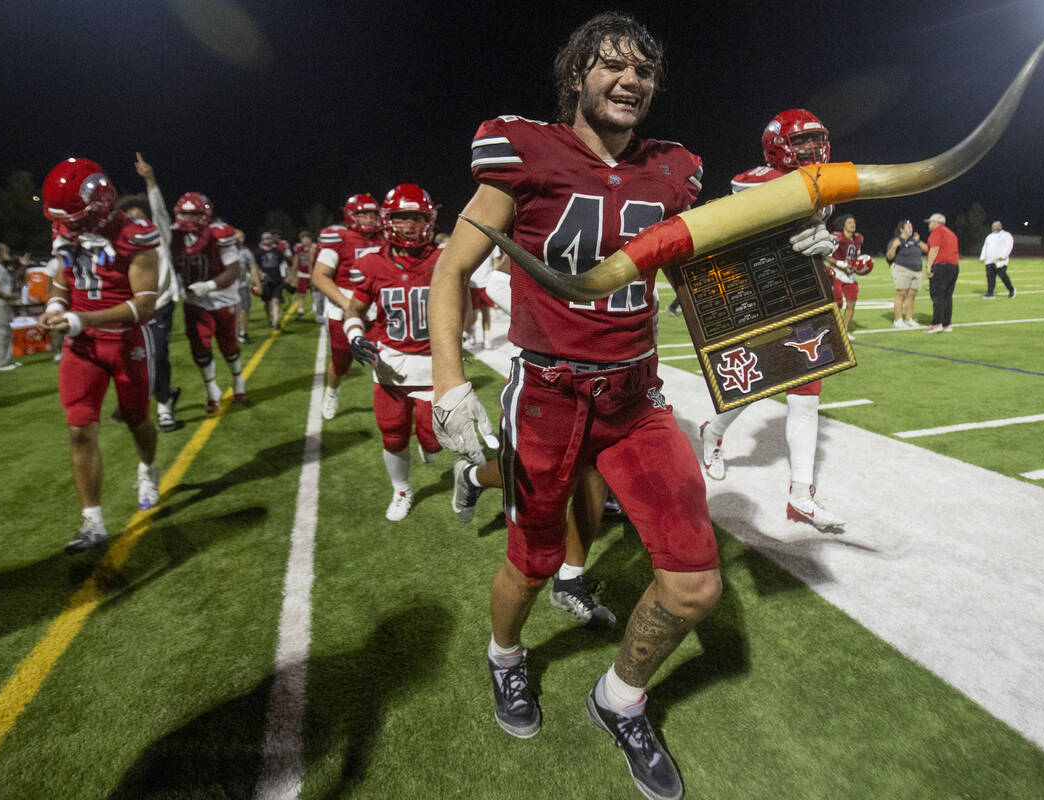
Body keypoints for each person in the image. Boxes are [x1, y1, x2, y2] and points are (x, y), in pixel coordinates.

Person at [428, 14, 747, 799]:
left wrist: (785, 263)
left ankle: (619, 699)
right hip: (547, 394)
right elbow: (452, 270)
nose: (629, 79)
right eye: (611, 66)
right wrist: (447, 384)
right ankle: (506, 657)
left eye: (642, 69)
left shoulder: (673, 171)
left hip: (636, 397)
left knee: (696, 583)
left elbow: (705, 280)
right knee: (533, 565)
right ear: (578, 75)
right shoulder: (525, 151)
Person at [697, 108, 844, 532]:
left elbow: (810, 233)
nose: (812, 148)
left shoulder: (821, 181)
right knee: (756, 382)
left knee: (806, 394)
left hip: (806, 296)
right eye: (801, 141)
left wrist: (826, 240)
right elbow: (767, 219)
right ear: (777, 144)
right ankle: (714, 430)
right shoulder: (756, 180)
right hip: (761, 295)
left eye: (817, 139)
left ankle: (801, 497)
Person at [36, 157, 161, 553]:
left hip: (125, 342)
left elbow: (144, 306)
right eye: (62, 219)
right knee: (79, 429)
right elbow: (60, 283)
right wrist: (55, 308)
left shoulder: (135, 235)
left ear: (101, 204)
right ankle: (93, 522)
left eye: (74, 218)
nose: (65, 227)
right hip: (83, 345)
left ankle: (148, 468)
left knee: (138, 420)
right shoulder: (67, 232)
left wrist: (81, 319)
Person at [342, 184, 444, 521]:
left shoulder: (444, 259)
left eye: (416, 217)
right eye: (401, 218)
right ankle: (402, 489)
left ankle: (428, 443)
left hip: (434, 363)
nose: (409, 225)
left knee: (434, 440)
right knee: (393, 431)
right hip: (391, 362)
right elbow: (354, 310)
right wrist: (355, 335)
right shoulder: (372, 264)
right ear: (388, 221)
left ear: (428, 219)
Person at [135, 153, 246, 412]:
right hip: (194, 301)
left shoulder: (219, 233)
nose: (188, 220)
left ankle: (238, 382)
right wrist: (151, 181)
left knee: (229, 346)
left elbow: (233, 271)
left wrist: (208, 286)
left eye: (194, 214)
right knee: (200, 349)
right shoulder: (172, 234)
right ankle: (212, 390)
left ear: (205, 214)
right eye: (184, 215)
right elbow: (159, 215)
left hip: (223, 298)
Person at [119, 185, 184, 432]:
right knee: (135, 359)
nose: (135, 222)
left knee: (157, 355)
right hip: (131, 308)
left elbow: (159, 211)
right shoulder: (122, 242)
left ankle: (164, 406)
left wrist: (151, 182)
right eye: (130, 218)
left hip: (159, 305)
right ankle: (161, 394)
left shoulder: (159, 234)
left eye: (139, 216)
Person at [312, 193, 383, 420]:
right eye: (364, 213)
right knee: (341, 363)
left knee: (385, 360)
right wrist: (348, 306)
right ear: (351, 215)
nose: (370, 218)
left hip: (378, 308)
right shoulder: (339, 237)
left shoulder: (386, 237)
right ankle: (332, 392)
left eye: (373, 213)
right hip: (343, 306)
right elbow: (320, 276)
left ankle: (392, 406)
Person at [0, 243, 27, 371]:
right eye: (4, 250)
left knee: (6, 331)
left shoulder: (0, 267)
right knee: (2, 332)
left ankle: (5, 361)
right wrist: (4, 295)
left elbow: (11, 280)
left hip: (2, 302)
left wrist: (23, 265)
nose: (7, 251)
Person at [826, 214, 863, 337]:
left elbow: (857, 255)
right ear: (843, 225)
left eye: (854, 222)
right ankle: (830, 328)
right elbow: (827, 256)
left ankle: (844, 331)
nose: (853, 225)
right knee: (838, 304)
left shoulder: (858, 239)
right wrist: (841, 264)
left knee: (851, 303)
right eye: (849, 223)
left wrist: (858, 266)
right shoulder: (836, 238)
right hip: (837, 274)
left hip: (850, 275)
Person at [924, 212, 960, 333]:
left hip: (941, 265)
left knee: (938, 294)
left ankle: (936, 323)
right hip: (954, 266)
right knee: (947, 295)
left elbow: (934, 249)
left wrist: (928, 266)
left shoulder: (937, 231)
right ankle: (946, 323)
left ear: (935, 222)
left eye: (930, 222)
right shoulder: (951, 234)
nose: (929, 224)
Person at [886, 219, 924, 328]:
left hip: (917, 271)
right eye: (908, 227)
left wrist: (918, 241)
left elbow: (926, 249)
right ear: (901, 229)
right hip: (902, 269)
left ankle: (909, 319)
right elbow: (889, 257)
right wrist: (894, 247)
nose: (911, 229)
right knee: (901, 294)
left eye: (911, 227)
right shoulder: (896, 240)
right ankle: (898, 320)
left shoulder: (915, 240)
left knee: (912, 296)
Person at [253, 231, 290, 330]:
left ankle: (275, 321)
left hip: (277, 280)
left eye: (269, 238)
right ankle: (269, 318)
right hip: (265, 281)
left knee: (276, 300)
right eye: (265, 238)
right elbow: (254, 266)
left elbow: (283, 263)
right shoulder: (258, 252)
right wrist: (260, 274)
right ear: (262, 240)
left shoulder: (277, 251)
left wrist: (287, 275)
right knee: (267, 302)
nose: (268, 240)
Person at [980, 220, 1015, 299]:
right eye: (993, 226)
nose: (994, 227)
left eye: (996, 226)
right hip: (989, 260)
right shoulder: (989, 236)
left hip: (1000, 261)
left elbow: (1009, 246)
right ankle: (990, 293)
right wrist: (982, 257)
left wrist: (1003, 256)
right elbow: (985, 246)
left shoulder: (1006, 235)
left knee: (1003, 276)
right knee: (990, 277)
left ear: (1000, 226)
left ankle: (1011, 290)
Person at [235, 229, 258, 342]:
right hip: (227, 287)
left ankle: (243, 333)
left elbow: (253, 268)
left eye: (242, 237)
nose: (240, 240)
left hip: (242, 285)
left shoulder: (246, 251)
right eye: (238, 237)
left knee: (245, 309)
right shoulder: (224, 250)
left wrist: (256, 283)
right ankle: (233, 333)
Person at [291, 230, 316, 318]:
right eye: (302, 239)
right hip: (302, 274)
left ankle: (315, 308)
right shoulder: (299, 248)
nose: (304, 241)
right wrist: (292, 274)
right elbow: (296, 260)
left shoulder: (315, 247)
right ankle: (300, 311)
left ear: (310, 239)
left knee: (315, 292)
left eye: (305, 239)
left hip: (314, 273)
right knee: (301, 293)